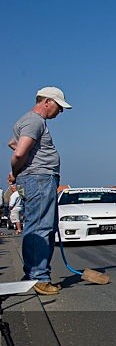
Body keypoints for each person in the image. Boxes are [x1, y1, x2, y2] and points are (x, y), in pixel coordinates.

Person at [9, 86, 72, 295]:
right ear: (46, 102)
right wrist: (16, 170)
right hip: (40, 179)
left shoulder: (25, 121)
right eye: (58, 106)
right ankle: (39, 277)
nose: (60, 112)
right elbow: (18, 153)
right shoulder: (34, 121)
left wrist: (21, 170)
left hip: (34, 178)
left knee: (36, 226)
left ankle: (34, 273)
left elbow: (13, 143)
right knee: (41, 228)